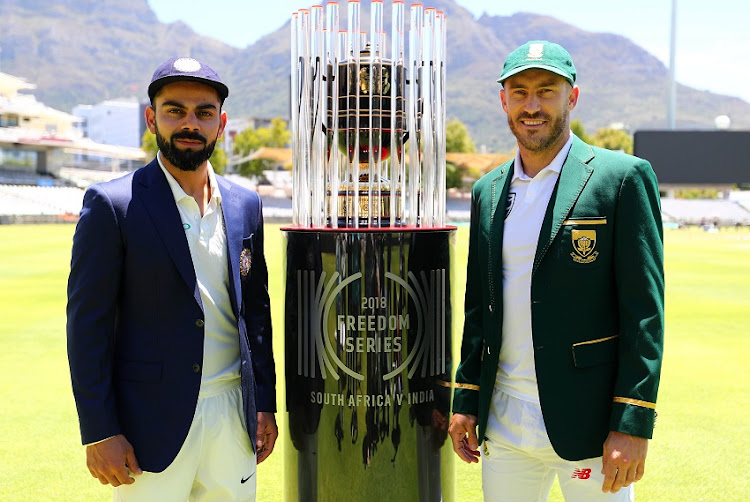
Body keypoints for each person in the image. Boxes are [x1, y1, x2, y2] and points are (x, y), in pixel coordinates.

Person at [448, 40, 664, 501]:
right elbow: (478, 307)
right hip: (504, 422)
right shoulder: (488, 190)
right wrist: (466, 399)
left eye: (546, 91)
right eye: (520, 92)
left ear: (572, 97)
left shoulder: (620, 177)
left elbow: (644, 314)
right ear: (503, 100)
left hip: (587, 424)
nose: (532, 105)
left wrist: (632, 422)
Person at [66, 56, 277, 501]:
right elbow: (88, 327)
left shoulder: (244, 204)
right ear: (151, 119)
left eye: (203, 113)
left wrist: (264, 403)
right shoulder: (113, 204)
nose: (189, 123)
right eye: (174, 110)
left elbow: (255, 314)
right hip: (150, 425)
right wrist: (100, 430)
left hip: (233, 419)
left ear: (220, 124)